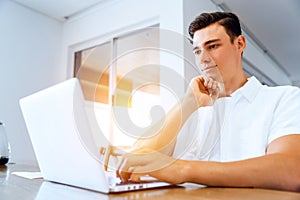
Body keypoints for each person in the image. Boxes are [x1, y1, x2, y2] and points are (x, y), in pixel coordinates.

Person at [116, 12, 300, 191]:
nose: (203, 59)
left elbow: (290, 170)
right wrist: (187, 102)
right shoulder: (194, 107)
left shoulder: (284, 98)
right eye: (197, 51)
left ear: (240, 44)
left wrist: (182, 169)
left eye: (212, 46)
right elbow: (137, 160)